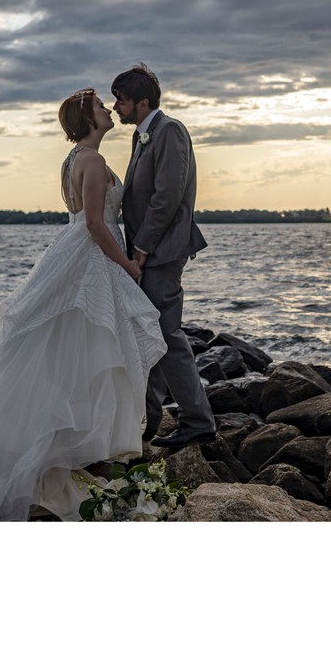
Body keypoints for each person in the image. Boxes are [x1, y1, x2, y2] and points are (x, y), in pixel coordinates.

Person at [0, 88, 167, 521]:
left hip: (72, 253)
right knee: (94, 347)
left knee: (72, 348)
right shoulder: (94, 161)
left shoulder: (71, 160)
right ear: (88, 119)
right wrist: (128, 266)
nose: (107, 111)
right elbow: (98, 224)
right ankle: (83, 446)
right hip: (92, 258)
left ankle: (79, 444)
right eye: (101, 107)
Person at [112, 63, 216, 448]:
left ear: (141, 102)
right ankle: (150, 419)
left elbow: (167, 197)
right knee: (150, 332)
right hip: (150, 251)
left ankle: (198, 421)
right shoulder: (143, 136)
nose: (116, 107)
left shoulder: (169, 130)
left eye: (121, 101)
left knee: (167, 334)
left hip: (161, 250)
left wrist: (140, 251)